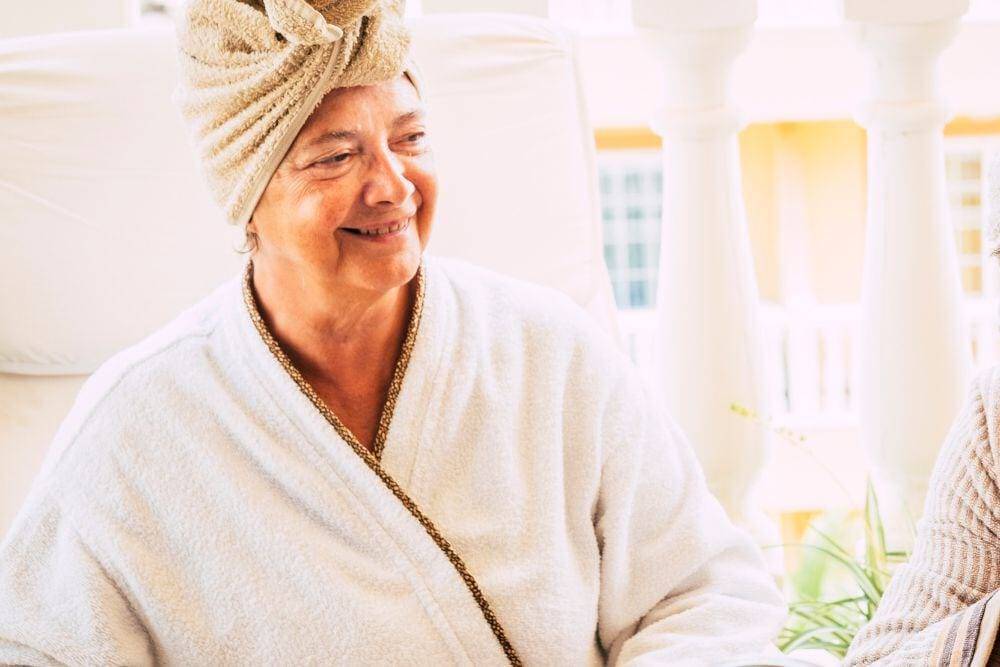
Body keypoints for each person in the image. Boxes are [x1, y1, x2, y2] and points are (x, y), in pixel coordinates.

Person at [0, 0, 786, 663]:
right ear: (247, 199)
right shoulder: (134, 431)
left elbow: (704, 592)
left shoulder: (552, 352)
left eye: (410, 140)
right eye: (335, 157)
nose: (393, 186)